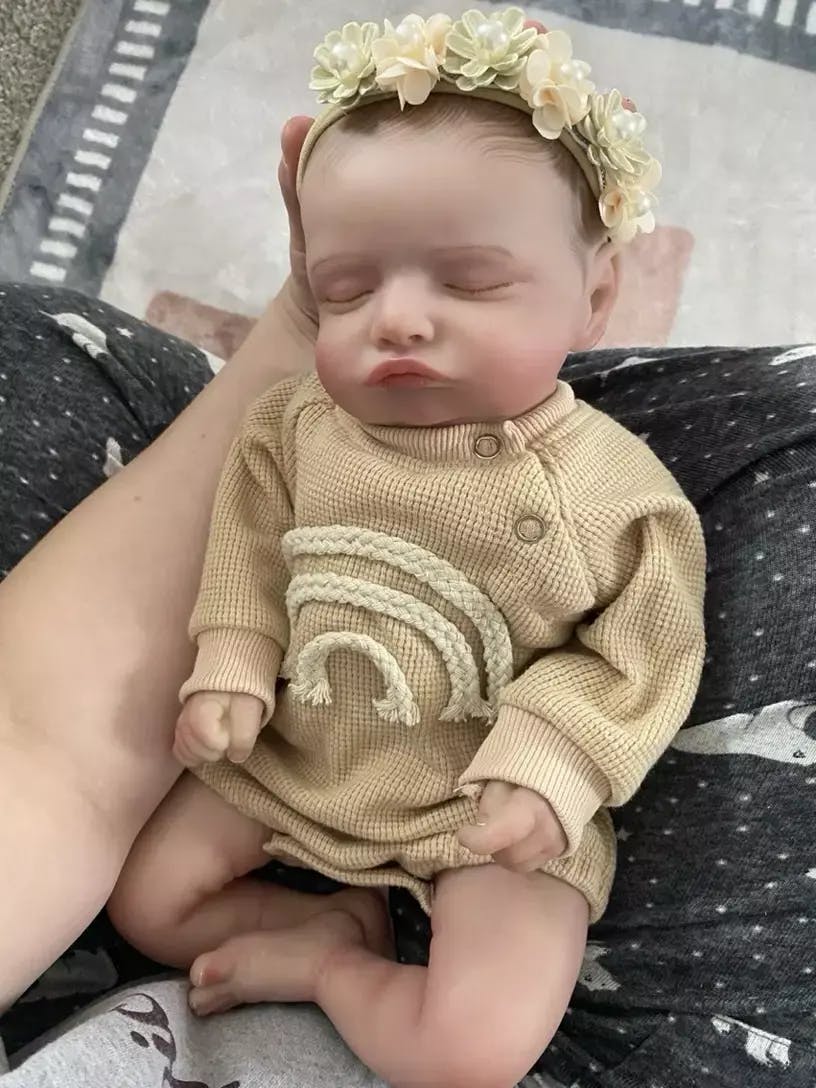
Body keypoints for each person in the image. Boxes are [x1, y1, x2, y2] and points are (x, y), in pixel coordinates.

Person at [3, 15, 815, 1088]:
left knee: (475, 1044)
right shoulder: (294, 426)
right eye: (347, 288)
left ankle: (338, 974)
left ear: (597, 297)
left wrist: (552, 769)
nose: (397, 319)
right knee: (152, 899)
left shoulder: (617, 492)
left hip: (480, 794)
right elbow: (246, 551)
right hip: (303, 745)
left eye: (467, 282)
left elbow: (640, 653)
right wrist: (235, 664)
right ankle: (333, 925)